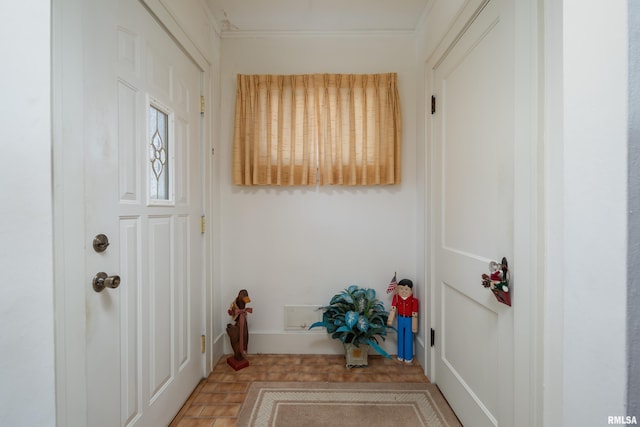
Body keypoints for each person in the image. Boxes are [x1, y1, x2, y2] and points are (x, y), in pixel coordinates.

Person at [387, 279, 418, 363]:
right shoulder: (396, 298)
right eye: (401, 289)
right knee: (400, 337)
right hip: (400, 319)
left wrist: (414, 326)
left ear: (411, 290)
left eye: (406, 289)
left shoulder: (414, 301)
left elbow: (415, 314)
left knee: (408, 338)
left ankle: (408, 357)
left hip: (409, 320)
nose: (403, 291)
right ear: (398, 289)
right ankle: (400, 355)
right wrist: (390, 319)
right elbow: (393, 309)